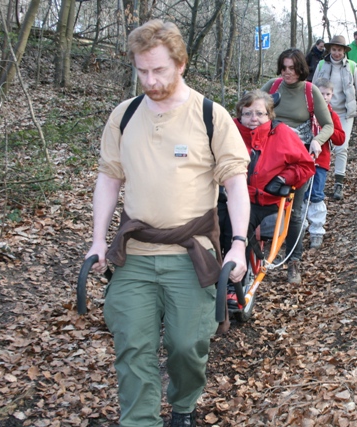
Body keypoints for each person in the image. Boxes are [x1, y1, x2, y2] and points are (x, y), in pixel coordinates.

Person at [85, 20, 251, 427]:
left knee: (186, 344)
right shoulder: (123, 116)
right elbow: (109, 178)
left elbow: (235, 183)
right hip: (136, 252)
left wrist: (239, 244)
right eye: (142, 71)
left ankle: (183, 404)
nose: (149, 79)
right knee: (132, 344)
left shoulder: (211, 115)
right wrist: (97, 241)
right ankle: (140, 420)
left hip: (190, 255)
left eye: (158, 70)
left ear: (181, 64)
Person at [261, 48, 334, 283]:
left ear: (301, 68)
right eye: (284, 68)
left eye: (292, 68)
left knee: (296, 212)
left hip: (298, 157)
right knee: (260, 201)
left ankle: (293, 261)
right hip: (270, 155)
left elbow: (328, 125)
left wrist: (316, 141)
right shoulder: (272, 87)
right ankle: (257, 252)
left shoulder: (310, 92)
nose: (287, 72)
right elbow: (249, 107)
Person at [229, 90, 315, 270]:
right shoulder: (229, 131)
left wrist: (283, 177)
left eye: (260, 114)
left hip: (268, 200)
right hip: (236, 198)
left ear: (269, 115)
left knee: (245, 227)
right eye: (247, 113)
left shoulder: (281, 133)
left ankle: (292, 261)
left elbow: (306, 165)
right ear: (239, 115)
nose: (254, 119)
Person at [312, 35, 357, 201]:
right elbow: (312, 87)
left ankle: (339, 182)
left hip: (344, 112)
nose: (337, 53)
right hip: (323, 111)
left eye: (340, 50)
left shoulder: (351, 66)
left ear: (344, 51)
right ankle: (317, 179)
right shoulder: (322, 64)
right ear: (330, 50)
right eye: (334, 49)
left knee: (341, 146)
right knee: (320, 144)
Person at [306, 78, 346, 249]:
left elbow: (340, 138)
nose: (324, 97)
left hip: (320, 161)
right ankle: (300, 226)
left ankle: (316, 230)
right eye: (320, 94)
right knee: (300, 194)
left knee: (316, 194)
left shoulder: (331, 115)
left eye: (327, 94)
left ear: (332, 95)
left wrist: (326, 132)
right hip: (301, 159)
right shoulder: (305, 113)